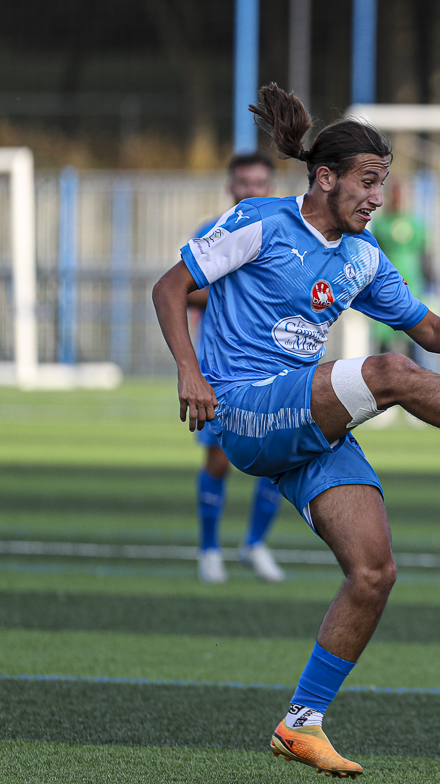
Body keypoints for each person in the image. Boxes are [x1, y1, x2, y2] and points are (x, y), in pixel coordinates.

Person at [151, 84, 440, 780]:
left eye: (383, 185)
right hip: (242, 407)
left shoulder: (363, 257)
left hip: (303, 421)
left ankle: (301, 723)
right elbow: (168, 286)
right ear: (325, 178)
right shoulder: (261, 222)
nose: (376, 198)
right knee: (388, 372)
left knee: (373, 572)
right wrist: (190, 372)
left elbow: (430, 329)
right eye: (367, 182)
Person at [189, 152, 286, 584]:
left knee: (281, 457)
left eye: (260, 183)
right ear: (231, 186)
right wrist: (241, 304)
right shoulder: (212, 232)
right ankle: (209, 549)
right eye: (244, 182)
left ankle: (255, 543)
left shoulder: (281, 233)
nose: (251, 190)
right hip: (222, 366)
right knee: (219, 459)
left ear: (271, 186)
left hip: (274, 365)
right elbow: (182, 288)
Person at [368, 180, 431, 364]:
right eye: (395, 195)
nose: (398, 199)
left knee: (415, 331)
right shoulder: (379, 225)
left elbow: (425, 255)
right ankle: (380, 378)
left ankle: (418, 379)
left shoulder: (416, 224)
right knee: (383, 333)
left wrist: (430, 286)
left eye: (401, 195)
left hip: (413, 285)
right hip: (385, 286)